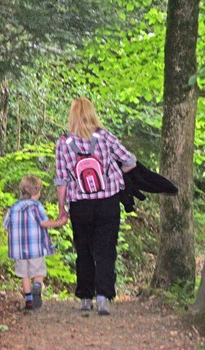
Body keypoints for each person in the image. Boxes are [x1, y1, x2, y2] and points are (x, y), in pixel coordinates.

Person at [54, 97, 136, 316]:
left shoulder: (63, 143)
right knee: (106, 249)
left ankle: (84, 297)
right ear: (92, 113)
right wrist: (116, 172)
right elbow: (130, 162)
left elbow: (61, 181)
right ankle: (103, 297)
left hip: (79, 205)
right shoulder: (106, 137)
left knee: (84, 250)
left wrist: (62, 210)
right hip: (107, 201)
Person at [4, 175, 68, 310]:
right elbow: (44, 223)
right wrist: (60, 222)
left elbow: (6, 225)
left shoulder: (14, 207)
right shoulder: (36, 206)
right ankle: (37, 286)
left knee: (24, 274)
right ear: (37, 191)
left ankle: (28, 300)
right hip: (35, 248)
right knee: (38, 271)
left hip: (19, 250)